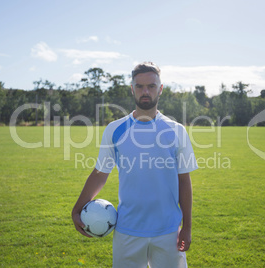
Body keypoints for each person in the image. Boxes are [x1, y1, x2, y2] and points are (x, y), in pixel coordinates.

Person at [72, 62, 198, 267]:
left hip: (168, 232)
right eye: (139, 86)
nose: (145, 91)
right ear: (132, 89)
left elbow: (184, 181)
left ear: (161, 89)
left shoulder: (176, 131)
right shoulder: (115, 130)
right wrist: (77, 209)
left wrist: (188, 227)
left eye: (151, 86)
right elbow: (99, 173)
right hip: (127, 230)